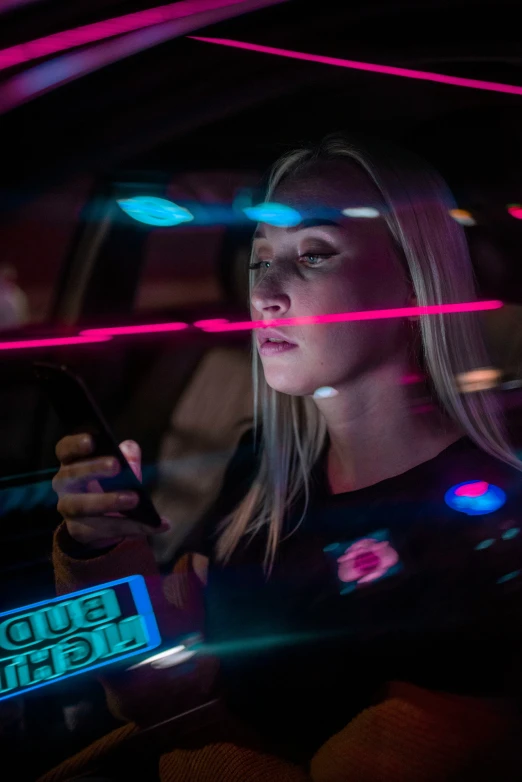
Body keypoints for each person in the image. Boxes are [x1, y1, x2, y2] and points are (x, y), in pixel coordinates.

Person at [43, 134, 522, 782]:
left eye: (315, 255)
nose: (266, 292)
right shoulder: (264, 467)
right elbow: (158, 688)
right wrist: (103, 551)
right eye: (259, 258)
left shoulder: (485, 531)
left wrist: (180, 747)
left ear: (415, 285)